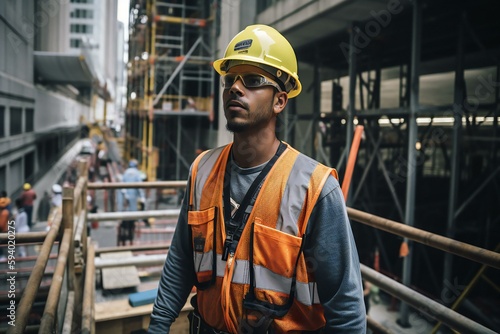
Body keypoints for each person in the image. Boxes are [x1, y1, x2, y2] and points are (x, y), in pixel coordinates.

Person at [149, 25, 366, 333]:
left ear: (280, 101)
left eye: (252, 81)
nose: (235, 88)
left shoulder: (314, 189)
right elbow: (181, 261)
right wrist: (158, 327)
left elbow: (345, 308)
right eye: (229, 81)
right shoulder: (202, 170)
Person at [117, 159, 146, 246]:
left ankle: (124, 240)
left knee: (125, 220)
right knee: (132, 220)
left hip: (125, 203)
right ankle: (131, 239)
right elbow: (140, 187)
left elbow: (122, 187)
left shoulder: (125, 173)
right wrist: (142, 197)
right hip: (133, 202)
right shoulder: (137, 173)